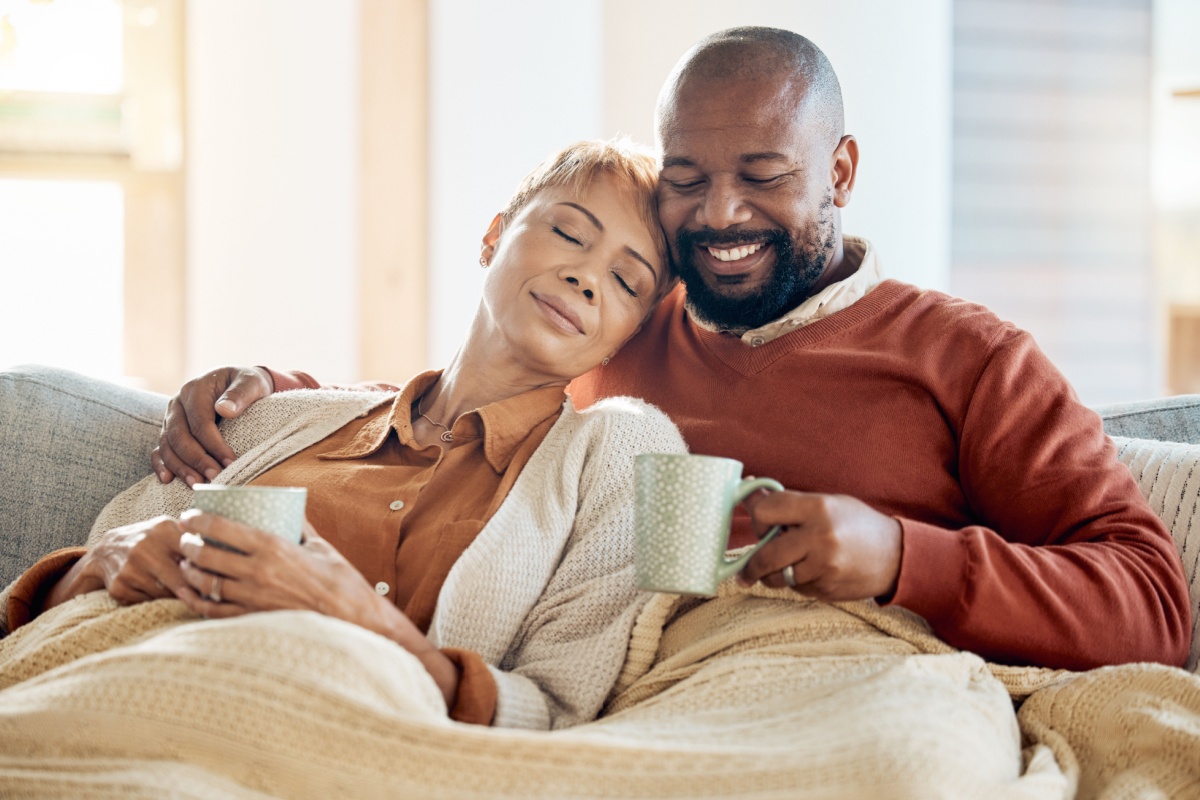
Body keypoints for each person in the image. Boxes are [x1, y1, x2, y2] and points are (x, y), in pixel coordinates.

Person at [151, 27, 1191, 673]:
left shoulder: (966, 355)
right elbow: (466, 399)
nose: (721, 213)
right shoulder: (626, 324)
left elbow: (1152, 598)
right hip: (614, 690)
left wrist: (901, 555)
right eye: (687, 177)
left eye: (764, 174)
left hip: (833, 679)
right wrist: (266, 394)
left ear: (841, 169)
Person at [0, 138, 687, 731]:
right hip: (83, 687)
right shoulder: (282, 417)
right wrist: (102, 560)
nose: (587, 276)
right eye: (569, 234)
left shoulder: (615, 456)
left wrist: (367, 623)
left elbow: (556, 717)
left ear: (625, 336)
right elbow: (52, 599)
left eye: (628, 281)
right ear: (493, 234)